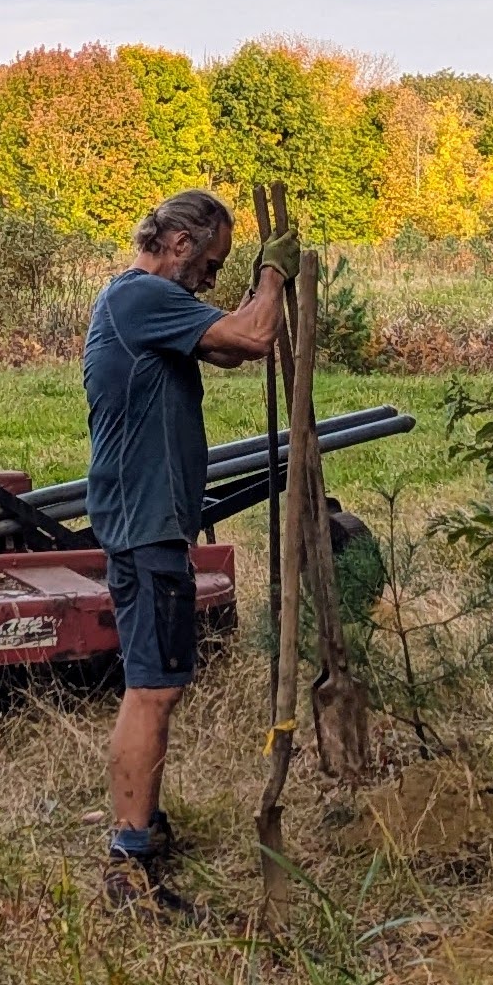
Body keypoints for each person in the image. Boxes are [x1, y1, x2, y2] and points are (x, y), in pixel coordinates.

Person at [81, 189, 292, 914]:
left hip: (146, 517)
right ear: (175, 243)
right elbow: (254, 339)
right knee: (154, 686)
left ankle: (142, 825)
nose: (208, 277)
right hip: (144, 522)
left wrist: (253, 292)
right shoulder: (139, 297)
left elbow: (229, 351)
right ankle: (128, 860)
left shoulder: (144, 305)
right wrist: (272, 277)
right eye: (209, 262)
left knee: (155, 681)